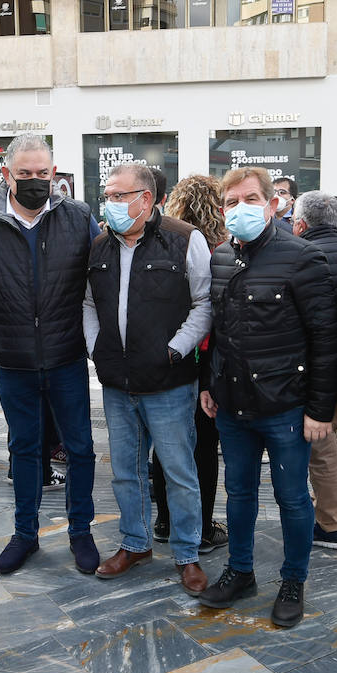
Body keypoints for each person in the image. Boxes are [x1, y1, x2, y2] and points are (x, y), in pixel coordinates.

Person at [197, 166, 337, 628]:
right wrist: (209, 384)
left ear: (273, 204)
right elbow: (215, 332)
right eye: (232, 202)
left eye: (251, 199)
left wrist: (320, 408)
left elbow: (325, 336)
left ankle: (293, 580)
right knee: (237, 493)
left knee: (293, 498)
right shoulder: (220, 257)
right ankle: (240, 571)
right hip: (232, 404)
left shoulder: (302, 256)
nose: (241, 209)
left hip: (285, 405)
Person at [0, 133, 102, 576]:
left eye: (43, 173)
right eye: (26, 174)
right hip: (12, 356)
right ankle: (25, 533)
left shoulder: (78, 216)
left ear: (53, 174)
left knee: (79, 447)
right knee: (23, 448)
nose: (36, 181)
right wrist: (8, 310)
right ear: (6, 174)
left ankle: (81, 531)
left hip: (66, 354)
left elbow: (95, 275)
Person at [84, 163, 213, 595]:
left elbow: (204, 303)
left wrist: (174, 349)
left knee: (178, 470)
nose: (111, 203)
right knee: (125, 471)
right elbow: (88, 303)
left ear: (146, 198)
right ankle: (135, 543)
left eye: (120, 195)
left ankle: (187, 554)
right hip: (117, 381)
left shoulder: (184, 239)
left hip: (170, 382)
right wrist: (96, 345)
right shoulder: (101, 245)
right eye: (108, 195)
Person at [151, 174, 229, 553]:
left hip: (170, 353)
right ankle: (199, 526)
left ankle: (165, 520)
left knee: (164, 443)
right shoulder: (220, 249)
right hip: (204, 358)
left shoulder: (164, 242)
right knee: (202, 447)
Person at [291, 191, 337, 550]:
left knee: (321, 445)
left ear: (300, 224)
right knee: (326, 439)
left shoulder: (302, 257)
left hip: (314, 369)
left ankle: (329, 524)